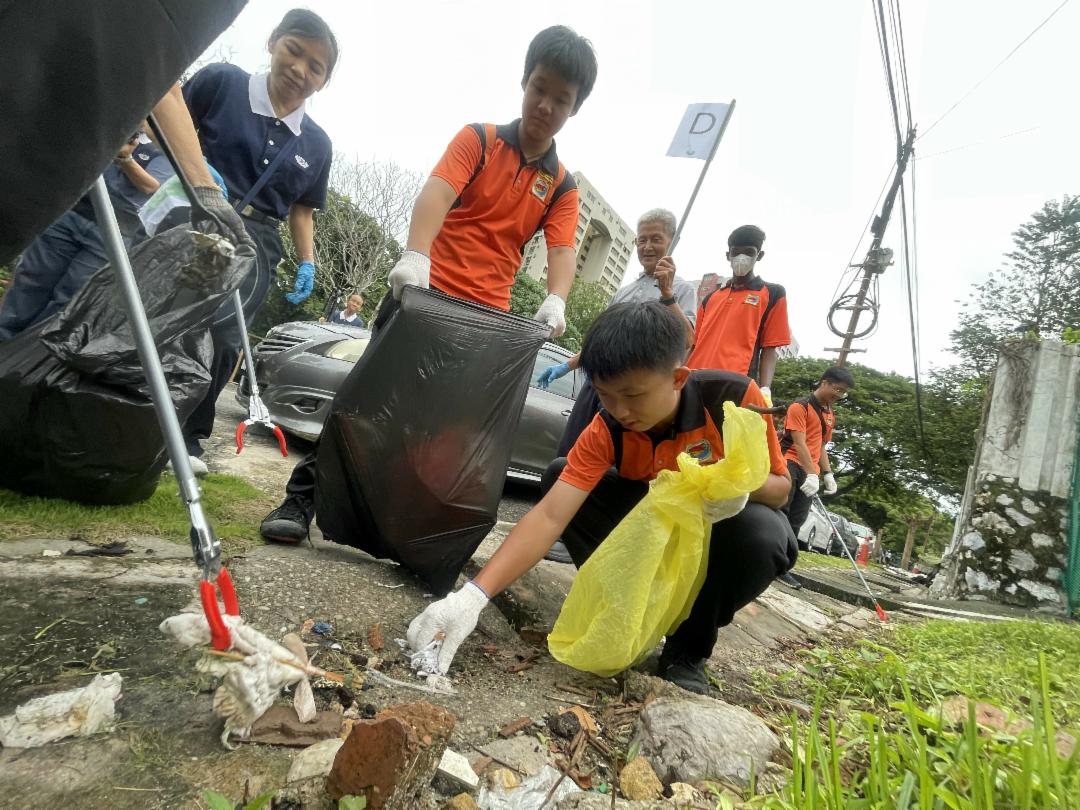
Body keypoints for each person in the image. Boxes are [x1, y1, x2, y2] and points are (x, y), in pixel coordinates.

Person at [259, 25, 599, 544]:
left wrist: (556, 297)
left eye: (562, 99)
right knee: (362, 406)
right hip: (422, 298)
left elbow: (561, 249)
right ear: (524, 81)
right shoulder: (479, 140)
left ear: (575, 109)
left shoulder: (562, 186)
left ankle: (402, 534)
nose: (545, 105)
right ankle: (299, 504)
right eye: (539, 87)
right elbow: (436, 194)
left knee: (441, 435)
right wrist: (416, 254)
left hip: (485, 325)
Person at [407, 302, 795, 693]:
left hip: (716, 528)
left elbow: (781, 489)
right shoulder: (607, 427)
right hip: (651, 521)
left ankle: (687, 648)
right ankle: (623, 604)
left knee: (762, 534)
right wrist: (472, 597)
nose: (621, 410)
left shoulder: (731, 398)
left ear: (678, 378)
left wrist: (733, 485)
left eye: (633, 394)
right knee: (560, 472)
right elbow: (549, 517)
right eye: (606, 395)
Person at [178, 8, 338, 473]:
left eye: (316, 67)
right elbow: (167, 126)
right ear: (273, 43)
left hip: (258, 239)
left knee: (227, 337)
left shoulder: (317, 144)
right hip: (196, 214)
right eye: (294, 51)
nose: (300, 70)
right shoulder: (221, 83)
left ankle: (189, 438)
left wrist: (307, 262)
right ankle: (137, 414)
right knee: (170, 316)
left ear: (323, 81)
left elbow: (302, 209)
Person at [535, 207, 697, 562]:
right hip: (599, 386)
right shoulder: (626, 290)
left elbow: (687, 341)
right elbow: (602, 341)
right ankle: (557, 529)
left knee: (611, 466)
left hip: (633, 395)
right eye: (642, 239)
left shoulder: (684, 290)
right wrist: (566, 365)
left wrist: (667, 294)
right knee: (571, 452)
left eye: (656, 239)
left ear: (672, 241)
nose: (647, 246)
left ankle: (582, 536)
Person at [0, 131, 171, 339]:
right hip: (73, 212)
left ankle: (26, 350)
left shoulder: (167, 151)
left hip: (112, 232)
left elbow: (151, 187)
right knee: (32, 278)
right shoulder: (116, 126)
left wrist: (125, 158)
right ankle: (4, 334)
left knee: (70, 296)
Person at [686, 225, 791, 402]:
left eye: (749, 252)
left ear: (759, 255)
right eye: (736, 252)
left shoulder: (773, 294)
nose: (741, 258)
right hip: (693, 380)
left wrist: (765, 388)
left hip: (734, 385)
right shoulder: (711, 298)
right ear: (728, 255)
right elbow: (694, 345)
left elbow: (770, 346)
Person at [781, 365, 853, 546]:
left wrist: (828, 474)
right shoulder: (800, 406)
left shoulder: (830, 415)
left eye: (843, 392)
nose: (839, 395)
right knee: (781, 512)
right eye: (837, 389)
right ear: (824, 383)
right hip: (790, 463)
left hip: (811, 470)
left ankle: (783, 566)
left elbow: (820, 446)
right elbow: (799, 443)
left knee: (798, 519)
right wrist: (812, 474)